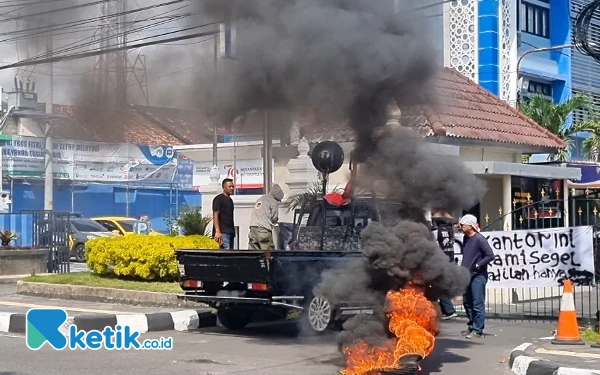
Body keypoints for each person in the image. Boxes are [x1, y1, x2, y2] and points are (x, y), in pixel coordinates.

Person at [458, 214, 495, 339]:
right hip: (467, 275)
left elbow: (490, 255)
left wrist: (478, 265)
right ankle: (471, 325)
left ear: (471, 226)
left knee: (477, 303)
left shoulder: (480, 239)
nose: (460, 226)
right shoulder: (465, 238)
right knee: (467, 302)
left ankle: (478, 330)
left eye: (463, 224)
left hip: (478, 276)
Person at [431, 209, 458, 320]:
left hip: (440, 262)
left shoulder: (437, 232)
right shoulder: (450, 231)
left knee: (439, 287)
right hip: (449, 260)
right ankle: (444, 310)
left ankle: (449, 310)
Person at [248, 184, 285, 250]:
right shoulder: (273, 201)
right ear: (277, 196)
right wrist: (276, 221)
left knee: (253, 253)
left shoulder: (261, 198)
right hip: (263, 230)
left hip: (252, 229)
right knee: (268, 253)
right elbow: (274, 217)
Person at [212, 178, 236, 249]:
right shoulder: (219, 199)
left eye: (232, 186)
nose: (231, 188)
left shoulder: (230, 200)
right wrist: (217, 231)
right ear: (224, 188)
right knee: (225, 254)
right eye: (229, 187)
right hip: (223, 233)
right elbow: (215, 215)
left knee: (230, 255)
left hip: (230, 232)